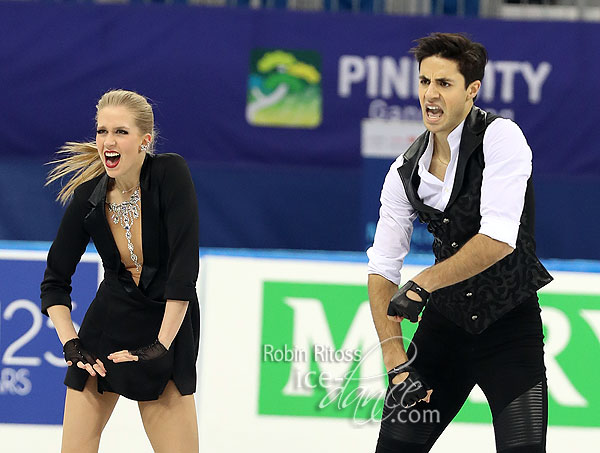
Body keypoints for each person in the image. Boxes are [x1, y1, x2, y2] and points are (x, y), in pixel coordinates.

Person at [367, 33, 553, 452]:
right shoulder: (404, 170)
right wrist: (396, 363)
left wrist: (422, 283)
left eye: (444, 84)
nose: (430, 95)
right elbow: (381, 268)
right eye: (424, 82)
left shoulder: (502, 138)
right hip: (442, 334)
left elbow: (499, 239)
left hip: (509, 331)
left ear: (472, 90)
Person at [40, 89, 200, 453]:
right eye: (101, 131)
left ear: (145, 140)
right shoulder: (88, 198)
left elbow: (183, 272)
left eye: (120, 132)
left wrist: (161, 345)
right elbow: (54, 282)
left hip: (168, 328)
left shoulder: (169, 174)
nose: (108, 142)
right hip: (107, 328)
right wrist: (72, 344)